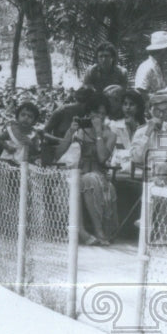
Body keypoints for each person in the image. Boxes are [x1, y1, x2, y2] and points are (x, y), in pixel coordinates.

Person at [55, 93, 118, 245]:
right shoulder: (80, 131)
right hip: (78, 172)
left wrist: (97, 134)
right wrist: (70, 132)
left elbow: (103, 158)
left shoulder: (110, 134)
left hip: (99, 175)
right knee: (73, 181)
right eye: (96, 113)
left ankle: (99, 230)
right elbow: (58, 154)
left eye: (103, 113)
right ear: (89, 113)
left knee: (88, 179)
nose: (100, 117)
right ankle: (81, 231)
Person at [134, 30, 167, 96]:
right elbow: (140, 96)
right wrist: (165, 91)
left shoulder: (159, 66)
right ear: (164, 50)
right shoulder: (146, 67)